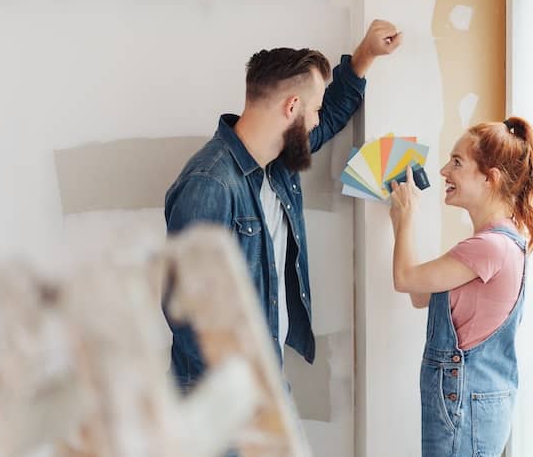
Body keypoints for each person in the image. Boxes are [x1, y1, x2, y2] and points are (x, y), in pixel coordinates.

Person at [163, 20, 402, 392]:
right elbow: (189, 311)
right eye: (314, 110)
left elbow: (332, 114)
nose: (318, 120)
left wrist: (366, 56)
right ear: (292, 107)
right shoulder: (210, 184)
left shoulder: (276, 165)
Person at [388, 117, 533, 457]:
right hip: (469, 402)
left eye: (457, 162)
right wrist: (402, 222)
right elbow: (420, 295)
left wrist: (407, 221)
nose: (445, 170)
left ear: (489, 178)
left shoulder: (489, 247)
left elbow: (404, 279)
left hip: (463, 403)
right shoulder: (495, 243)